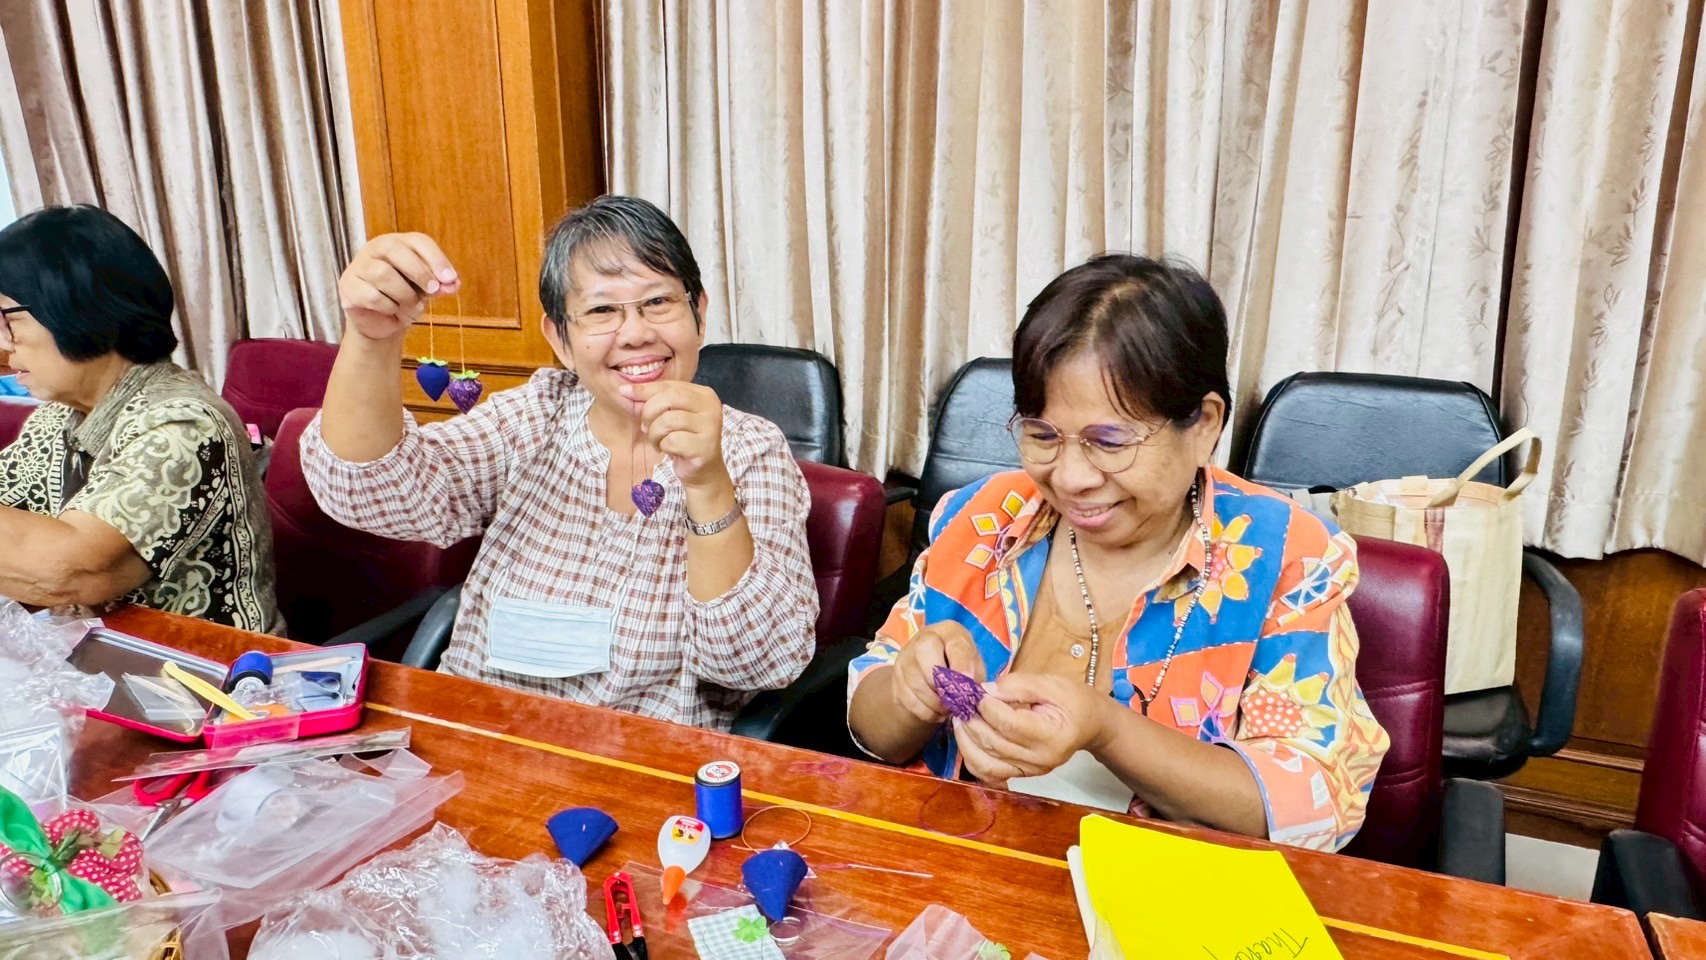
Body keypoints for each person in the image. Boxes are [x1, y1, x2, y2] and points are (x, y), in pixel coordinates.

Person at [848, 255, 1389, 852]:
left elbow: (1313, 803)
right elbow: (871, 728)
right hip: (966, 860)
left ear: (1204, 425)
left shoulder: (1285, 558)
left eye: (1109, 442)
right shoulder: (984, 521)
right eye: (1042, 435)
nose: (1071, 477)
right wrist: (907, 691)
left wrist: (1106, 729)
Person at [302, 195, 817, 729]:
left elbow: (759, 662)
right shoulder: (536, 415)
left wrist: (707, 484)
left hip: (639, 756)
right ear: (561, 340)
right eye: (601, 310)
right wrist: (371, 338)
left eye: (658, 301)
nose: (636, 332)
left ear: (699, 314)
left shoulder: (751, 449)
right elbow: (375, 494)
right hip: (475, 732)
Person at [0, 206, 279, 632]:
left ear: (78, 308)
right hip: (99, 654)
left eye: (8, 320)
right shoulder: (60, 416)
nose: (4, 344)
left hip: (209, 666)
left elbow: (71, 570)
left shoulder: (184, 426)